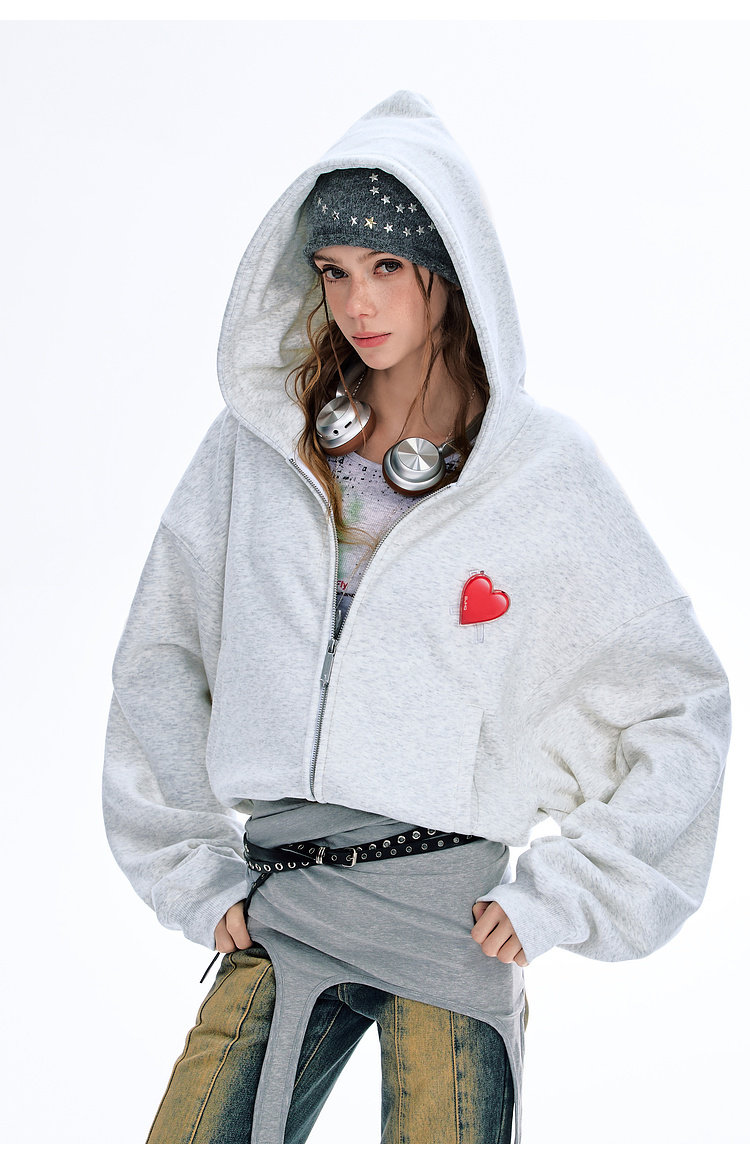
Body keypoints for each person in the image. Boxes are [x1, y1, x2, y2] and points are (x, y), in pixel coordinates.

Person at [101, 90, 731, 1145]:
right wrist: (191, 873)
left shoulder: (540, 475)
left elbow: (681, 703)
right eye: (333, 270)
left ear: (451, 270)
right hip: (285, 904)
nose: (357, 303)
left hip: (453, 924)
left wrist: (566, 893)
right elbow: (159, 661)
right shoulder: (256, 452)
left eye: (387, 266)